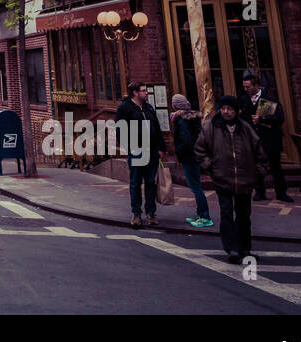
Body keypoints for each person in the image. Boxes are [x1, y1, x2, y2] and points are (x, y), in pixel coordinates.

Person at [195, 94, 269, 263]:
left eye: (229, 109)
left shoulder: (245, 128)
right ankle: (232, 249)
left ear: (237, 111)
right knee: (227, 214)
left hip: (245, 179)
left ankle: (245, 248)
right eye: (223, 109)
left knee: (244, 216)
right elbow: (199, 150)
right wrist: (210, 166)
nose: (226, 112)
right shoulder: (211, 127)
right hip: (223, 179)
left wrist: (258, 172)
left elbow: (260, 152)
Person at [115, 82, 166, 228]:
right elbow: (120, 130)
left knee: (151, 182)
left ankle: (151, 213)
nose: (146, 93)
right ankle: (136, 213)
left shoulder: (148, 108)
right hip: (136, 150)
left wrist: (161, 148)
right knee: (136, 182)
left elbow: (156, 127)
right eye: (143, 91)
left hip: (152, 151)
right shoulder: (125, 108)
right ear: (135, 93)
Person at [238, 71, 293, 203]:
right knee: (256, 167)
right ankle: (259, 191)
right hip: (253, 139)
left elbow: (279, 118)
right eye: (244, 87)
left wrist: (262, 118)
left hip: (270, 138)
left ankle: (281, 192)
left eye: (248, 87)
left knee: (275, 166)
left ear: (256, 86)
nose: (245, 89)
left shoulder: (268, 99)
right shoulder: (243, 100)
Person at [170, 95, 212, 228]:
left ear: (176, 106)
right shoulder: (190, 118)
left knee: (196, 188)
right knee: (196, 186)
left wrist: (179, 152)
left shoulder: (182, 121)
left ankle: (205, 216)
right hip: (194, 156)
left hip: (189, 157)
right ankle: (200, 214)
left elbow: (186, 141)